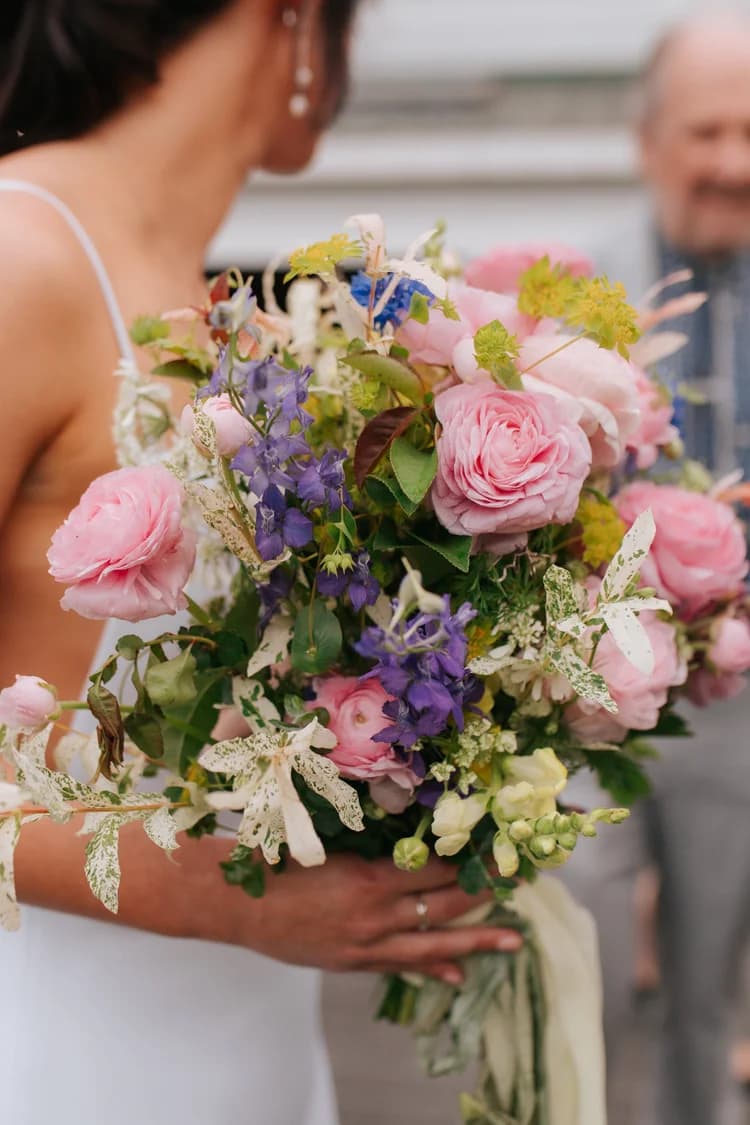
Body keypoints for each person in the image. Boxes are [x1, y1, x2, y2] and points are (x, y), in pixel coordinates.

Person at [0, 3, 523, 1123]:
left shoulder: (232, 316)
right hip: (58, 1042)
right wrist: (225, 904)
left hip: (245, 1039)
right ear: (287, 19)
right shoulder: (21, 260)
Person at [562, 12, 750, 1125]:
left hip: (743, 701)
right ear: (648, 141)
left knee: (711, 987)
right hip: (586, 697)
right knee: (576, 963)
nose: (731, 162)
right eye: (705, 131)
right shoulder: (576, 293)